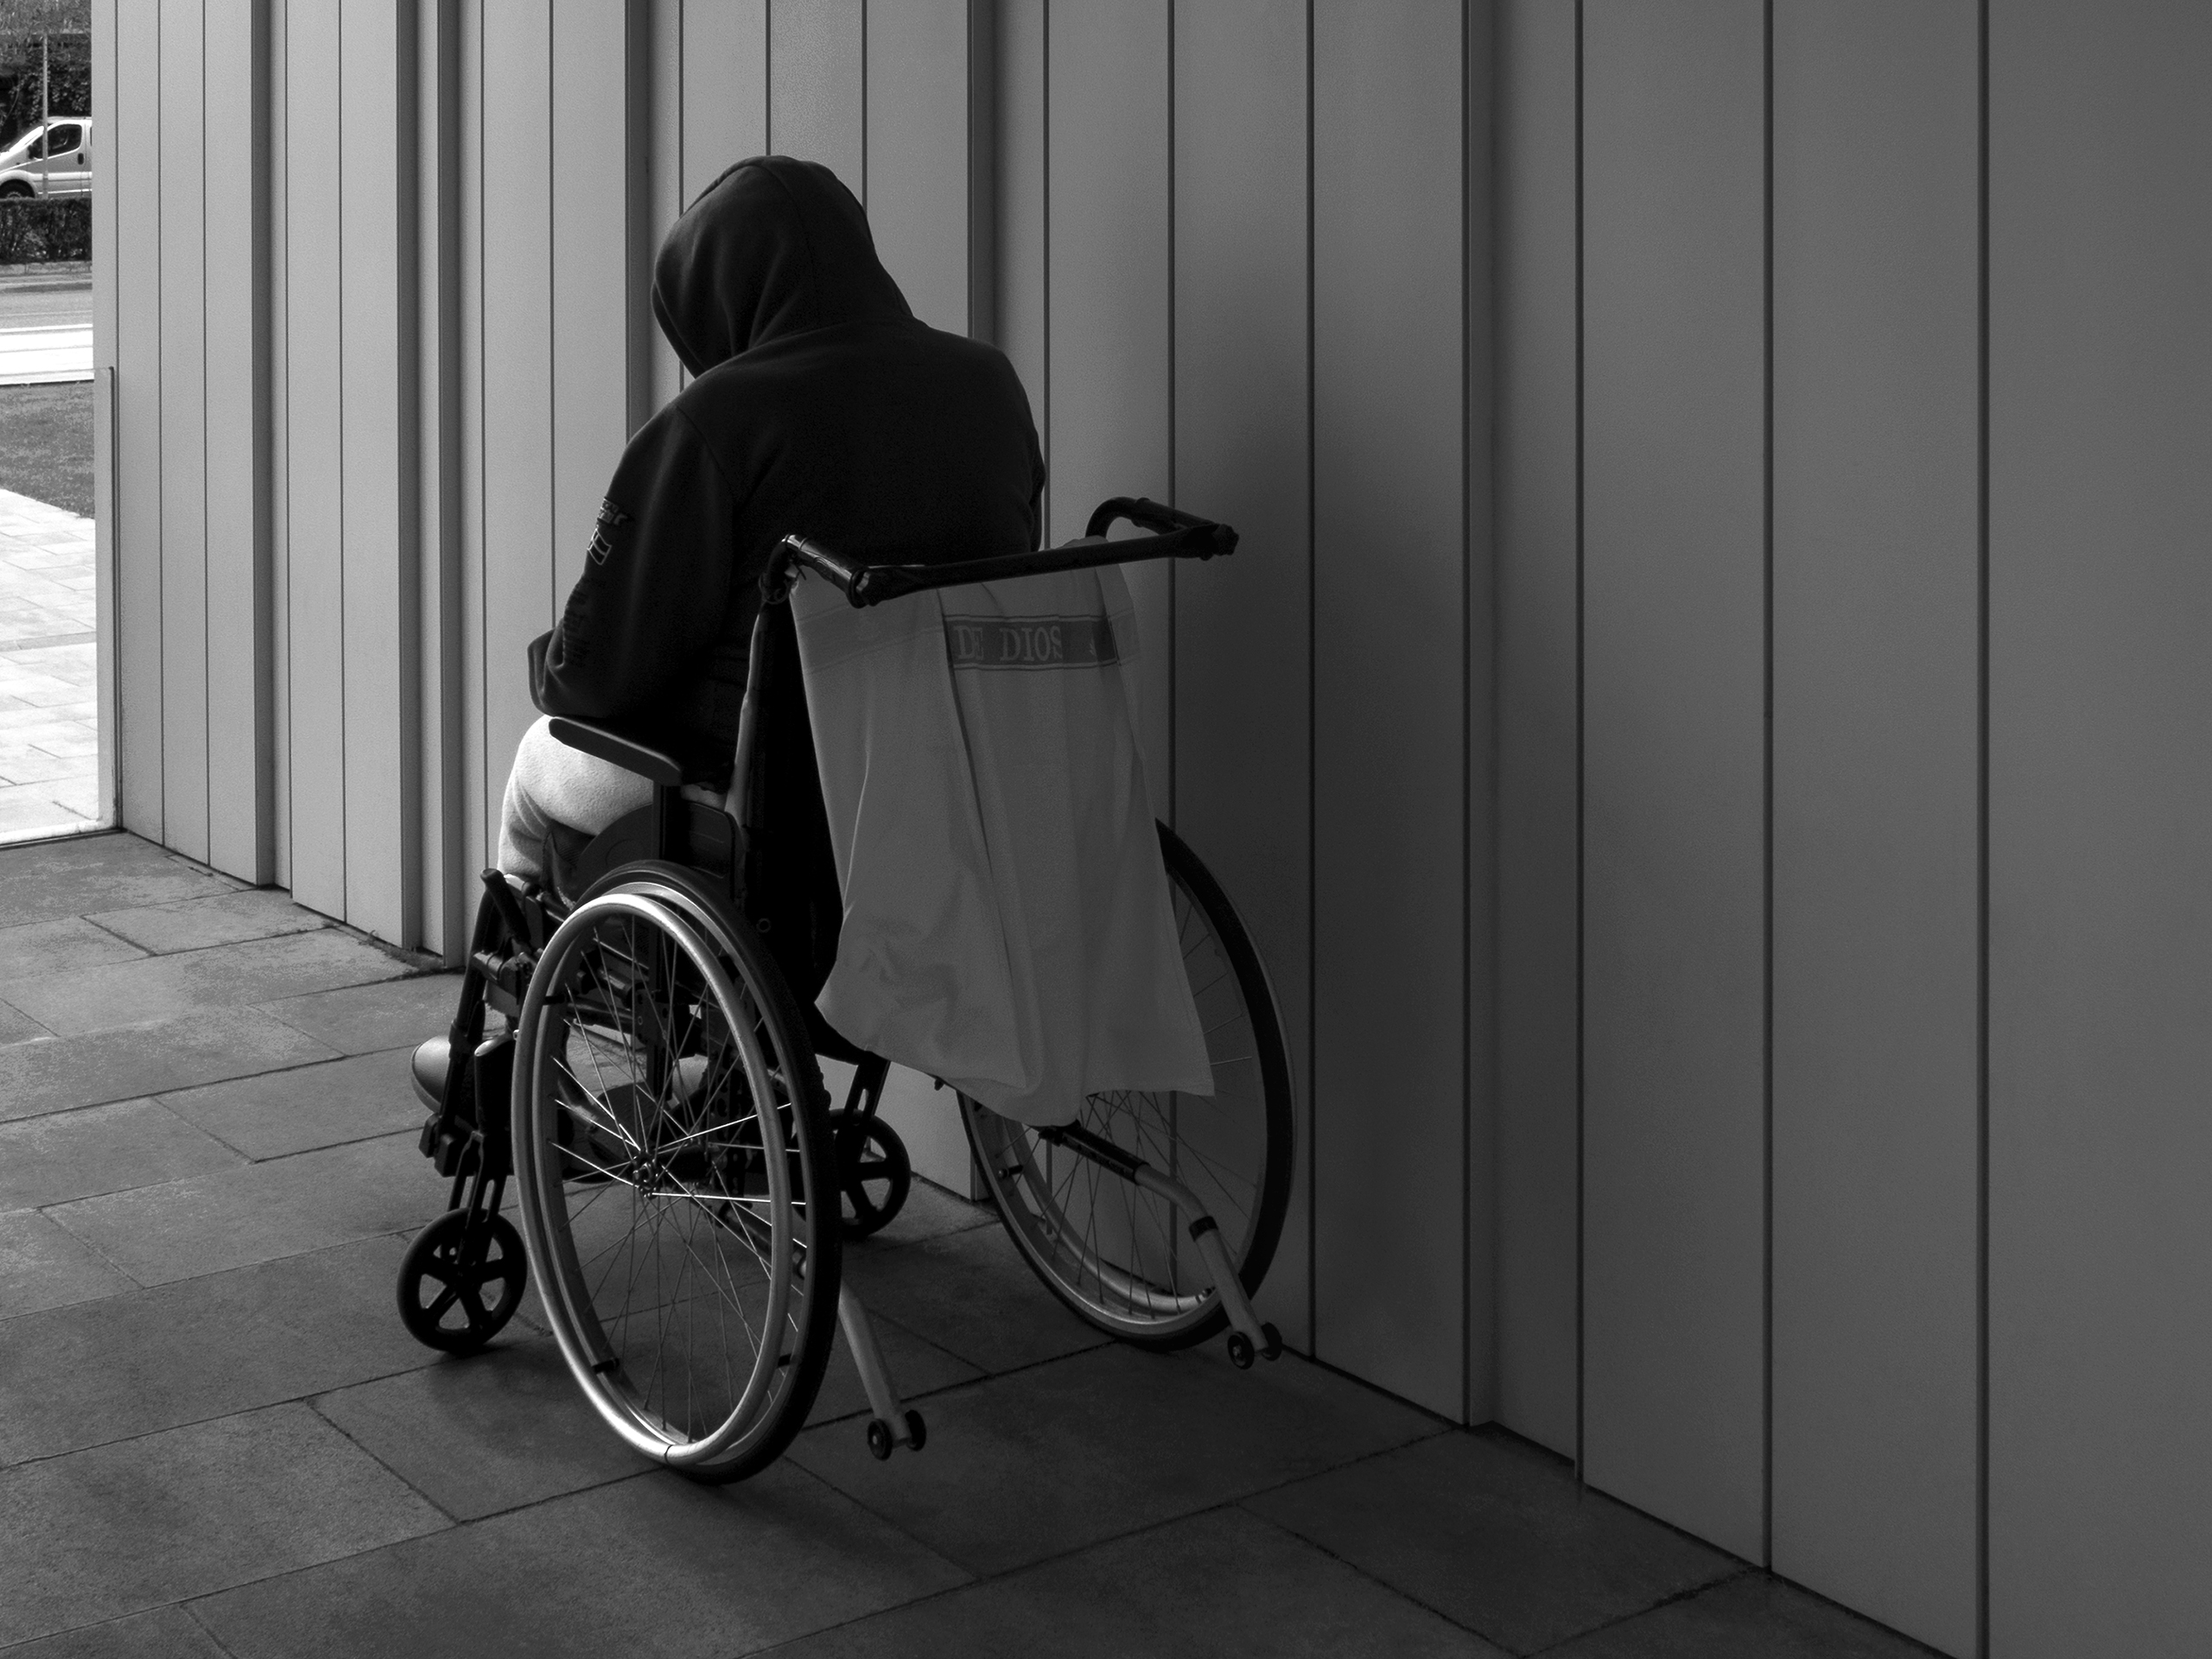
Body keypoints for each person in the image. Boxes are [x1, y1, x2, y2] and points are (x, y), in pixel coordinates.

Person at [495, 154, 1045, 880]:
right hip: (967, 770)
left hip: (774, 803)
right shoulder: (991, 384)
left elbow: (598, 678)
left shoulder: (716, 421)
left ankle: (524, 984)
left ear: (716, 300)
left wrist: (556, 659)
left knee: (540, 755)